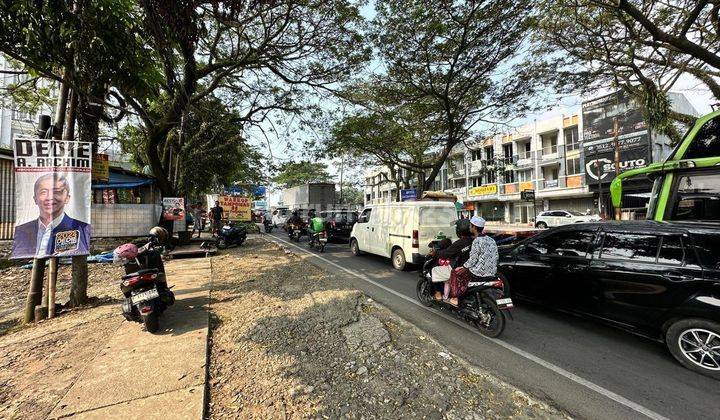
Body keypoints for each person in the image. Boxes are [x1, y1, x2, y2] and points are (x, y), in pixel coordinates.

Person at [11, 173, 91, 259]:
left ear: (67, 198)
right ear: (35, 199)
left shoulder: (81, 227)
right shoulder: (22, 230)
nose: (50, 197)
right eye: (43, 192)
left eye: (57, 192)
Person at [447, 216, 498, 306]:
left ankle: (455, 297)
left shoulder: (477, 241)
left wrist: (463, 267)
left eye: (470, 226)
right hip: (492, 272)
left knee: (455, 272)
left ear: (474, 227)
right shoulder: (491, 240)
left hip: (478, 272)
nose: (469, 227)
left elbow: (473, 260)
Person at [430, 219, 474, 301]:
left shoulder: (459, 243)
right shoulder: (474, 240)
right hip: (471, 269)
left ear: (459, 230)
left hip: (459, 270)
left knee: (434, 269)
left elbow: (445, 254)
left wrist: (435, 253)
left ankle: (438, 293)